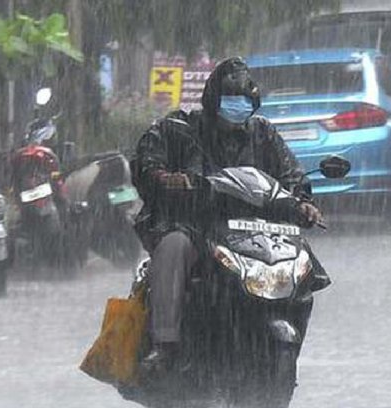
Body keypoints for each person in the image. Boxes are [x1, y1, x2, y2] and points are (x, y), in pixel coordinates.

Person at [130, 57, 322, 374]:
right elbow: (146, 164)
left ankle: (282, 324)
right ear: (212, 100)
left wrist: (302, 203)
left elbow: (291, 175)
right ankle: (164, 345)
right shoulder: (179, 129)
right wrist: (165, 178)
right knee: (173, 247)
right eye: (231, 100)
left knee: (302, 262)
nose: (238, 107)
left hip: (254, 230)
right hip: (196, 225)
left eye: (245, 102)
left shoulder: (263, 133)